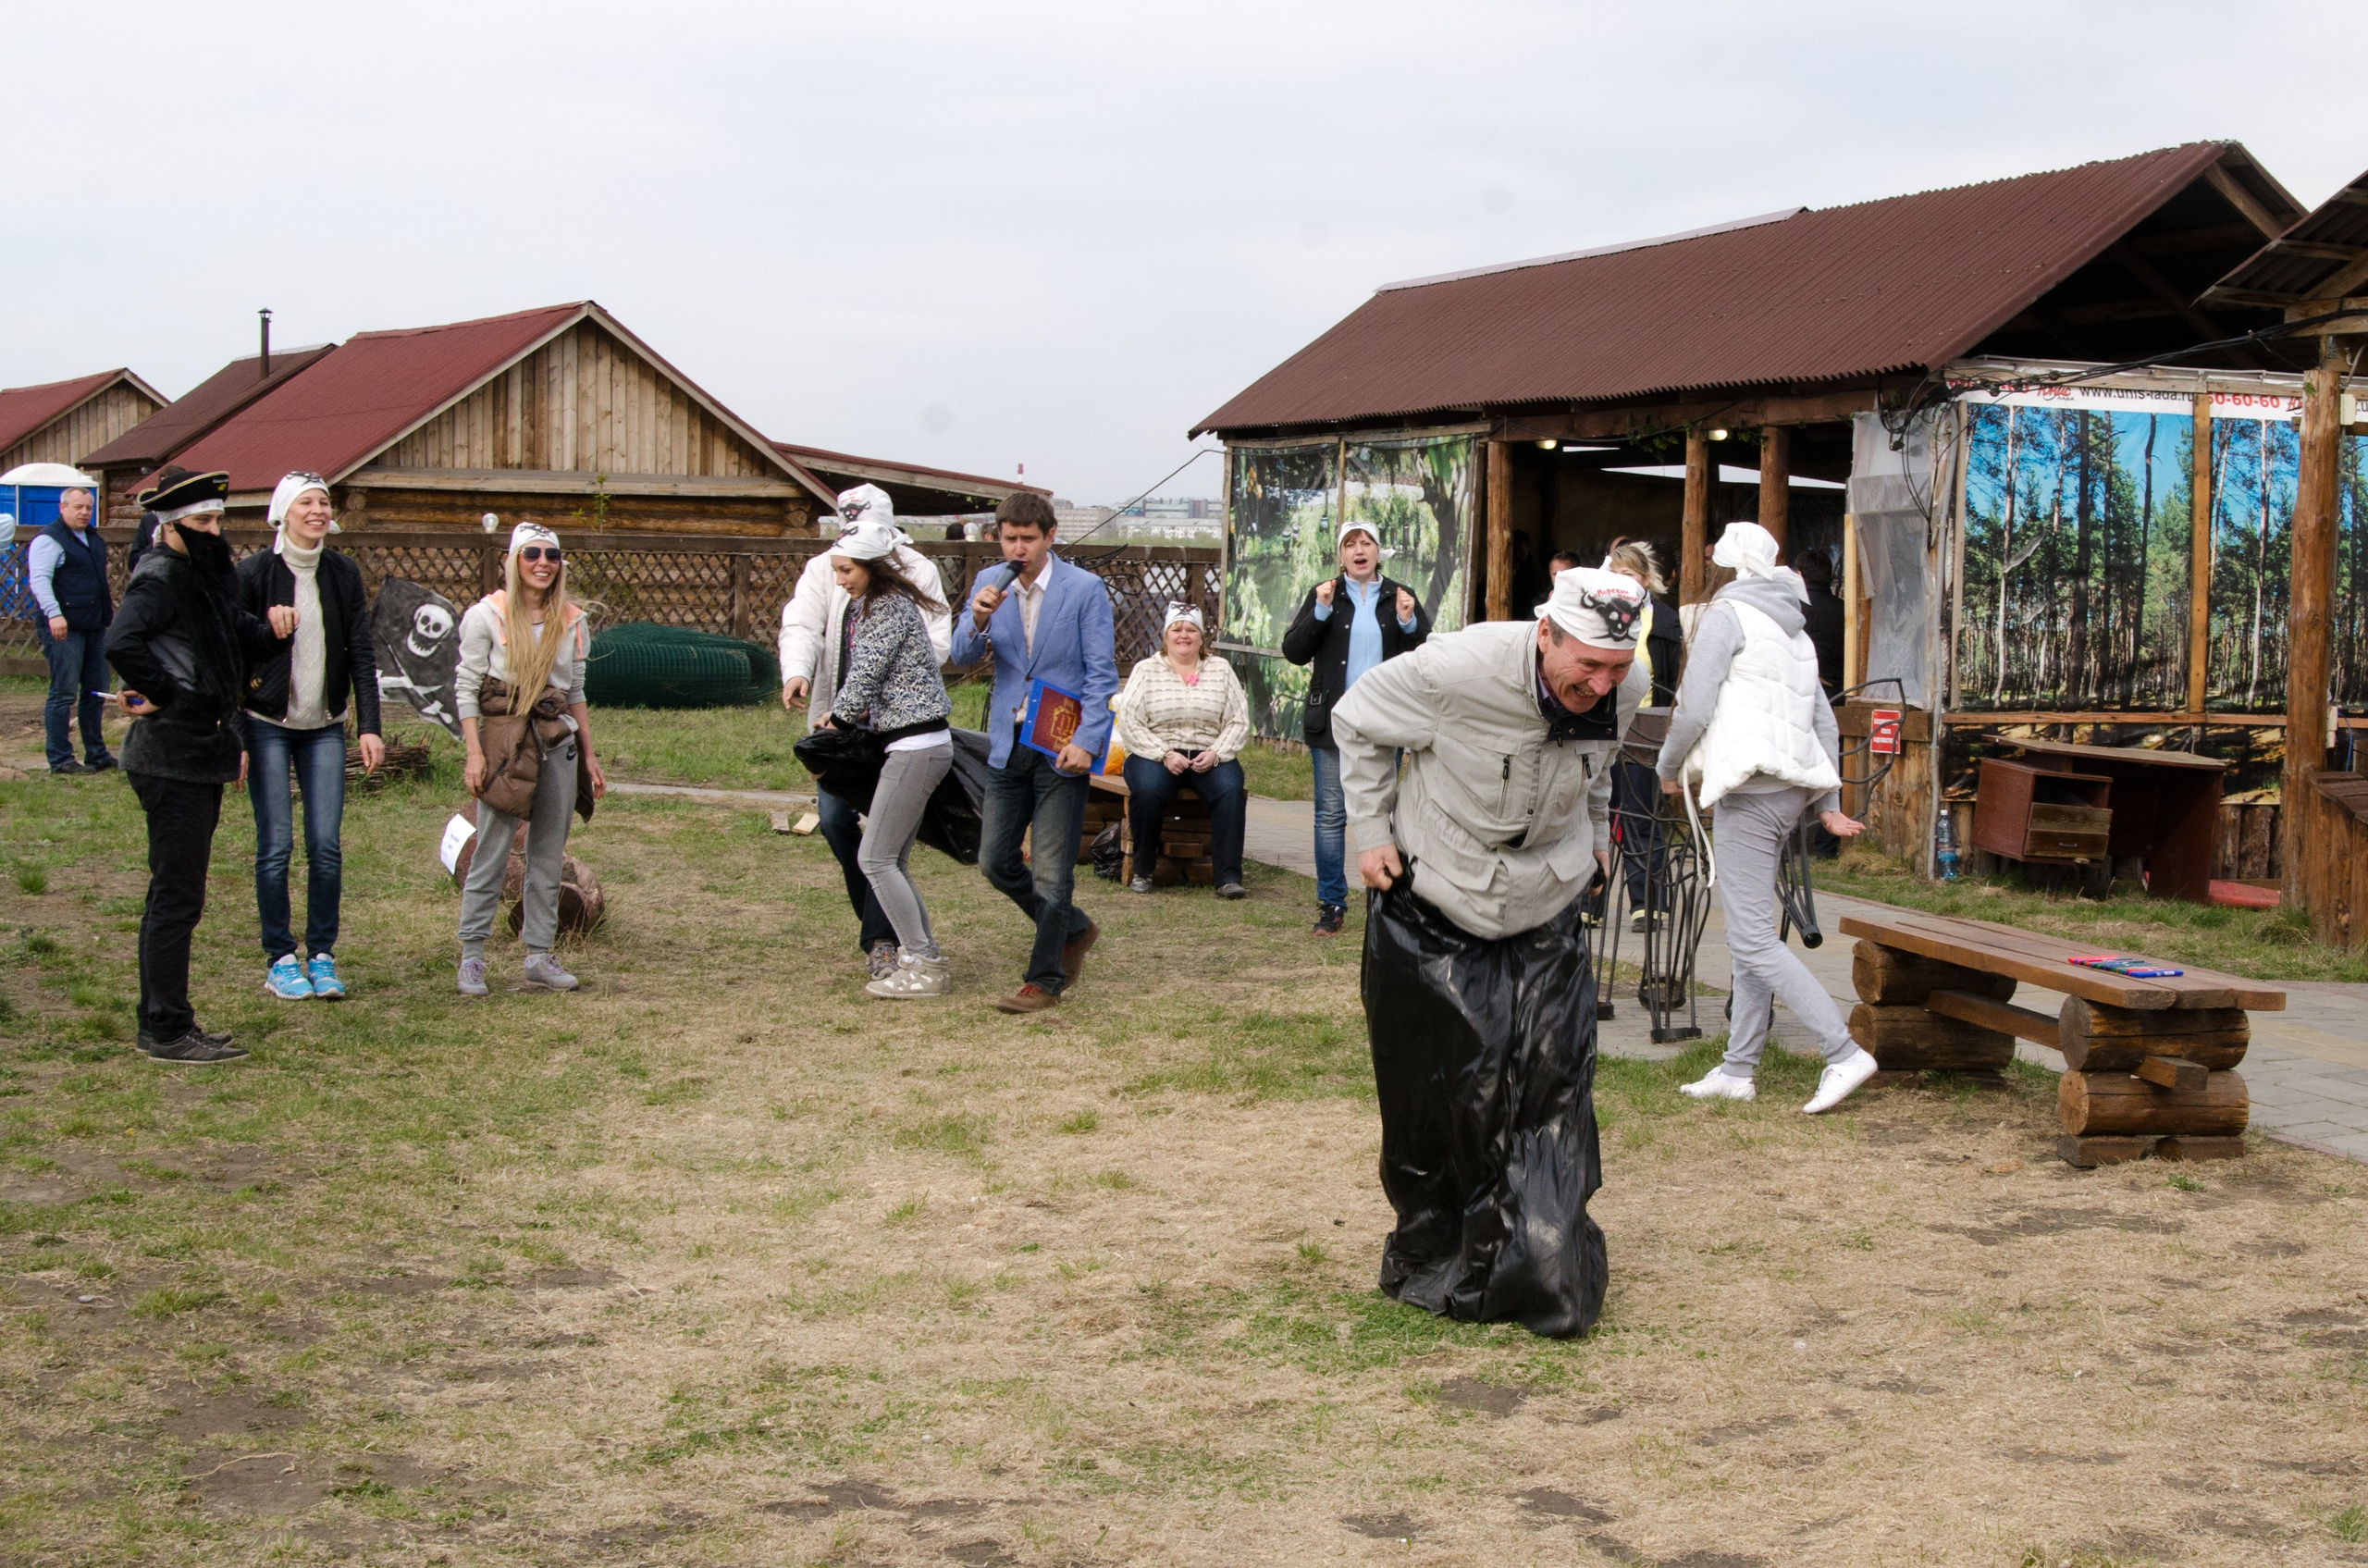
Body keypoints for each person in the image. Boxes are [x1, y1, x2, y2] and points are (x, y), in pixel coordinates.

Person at [1330, 566, 1647, 1340]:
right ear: (1546, 634)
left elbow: (1600, 761)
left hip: (1546, 892)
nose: (1601, 683)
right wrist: (1369, 830)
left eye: (1616, 668)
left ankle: (1540, 1263)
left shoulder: (1624, 686)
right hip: (1447, 887)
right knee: (1453, 1090)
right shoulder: (1457, 670)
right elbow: (1359, 717)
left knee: (1549, 1088)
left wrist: (1601, 836)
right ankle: (1441, 1248)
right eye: (1587, 665)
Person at [1656, 522, 1874, 1116]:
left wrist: (1668, 764)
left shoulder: (1728, 616)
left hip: (1749, 788)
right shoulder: (1795, 629)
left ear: (1726, 568)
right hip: (1787, 793)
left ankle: (1843, 1052)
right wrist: (1826, 806)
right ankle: (1738, 1067)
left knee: (1751, 938)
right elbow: (1823, 724)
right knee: (1754, 932)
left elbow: (1694, 703)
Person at [103, 467, 296, 1064]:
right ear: (171, 527)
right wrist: (171, 694)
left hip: (199, 754)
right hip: (170, 756)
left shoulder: (200, 577)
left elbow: (234, 636)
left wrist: (273, 629)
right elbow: (121, 644)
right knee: (176, 896)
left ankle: (164, 1020)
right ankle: (165, 1029)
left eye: (219, 520)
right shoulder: (159, 578)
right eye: (203, 522)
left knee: (179, 893)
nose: (215, 531)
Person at [950, 491, 1117, 1014]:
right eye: (1009, 538)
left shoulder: (1084, 589)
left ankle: (1044, 978)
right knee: (995, 861)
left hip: (1060, 747)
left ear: (1049, 537)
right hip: (1006, 745)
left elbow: (1100, 675)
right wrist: (976, 620)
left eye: (1028, 538)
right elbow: (958, 656)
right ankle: (1075, 927)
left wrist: (1087, 743)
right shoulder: (987, 585)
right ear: (998, 538)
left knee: (1050, 870)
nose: (1018, 548)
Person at [780, 485, 953, 981]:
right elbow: (802, 626)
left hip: (907, 740)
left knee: (877, 856)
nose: (838, 579)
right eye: (836, 567)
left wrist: (838, 719)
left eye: (846, 570)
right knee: (865, 842)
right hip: (883, 738)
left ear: (874, 559)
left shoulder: (892, 601)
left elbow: (868, 669)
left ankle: (907, 954)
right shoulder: (856, 594)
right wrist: (801, 673)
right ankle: (920, 952)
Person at [236, 474, 386, 1001]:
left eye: (325, 502)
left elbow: (362, 652)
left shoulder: (342, 573)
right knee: (276, 844)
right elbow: (233, 655)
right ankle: (280, 957)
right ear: (283, 512)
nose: (319, 511)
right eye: (308, 502)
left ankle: (321, 954)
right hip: (266, 725)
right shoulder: (254, 573)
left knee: (325, 845)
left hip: (323, 725)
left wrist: (369, 725)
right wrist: (236, 736)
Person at [454, 523, 607, 996]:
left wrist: (589, 755)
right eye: (532, 554)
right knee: (493, 847)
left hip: (556, 742)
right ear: (514, 561)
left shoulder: (572, 620)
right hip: (506, 746)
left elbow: (575, 691)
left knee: (546, 852)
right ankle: (472, 956)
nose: (543, 563)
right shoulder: (487, 616)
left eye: (552, 556)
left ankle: (539, 953)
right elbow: (466, 689)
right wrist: (475, 754)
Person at [1279, 519, 1430, 936]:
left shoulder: (1401, 595)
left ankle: (1391, 900)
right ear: (1341, 554)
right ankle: (1332, 903)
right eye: (1350, 544)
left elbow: (1429, 655)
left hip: (1386, 722)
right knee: (1331, 814)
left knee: (1386, 811)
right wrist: (1321, 610)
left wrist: (1406, 623)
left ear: (1379, 551)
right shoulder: (1325, 593)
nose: (1359, 550)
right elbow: (1293, 650)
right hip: (1332, 721)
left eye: (1366, 543)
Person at [1115, 604, 1250, 899]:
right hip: (1156, 753)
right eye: (1176, 629)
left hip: (1208, 752)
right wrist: (1164, 752)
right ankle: (1143, 870)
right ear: (1165, 637)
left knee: (1230, 790)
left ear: (1202, 639)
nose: (1183, 635)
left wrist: (1216, 752)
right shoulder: (1146, 670)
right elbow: (1130, 720)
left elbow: (1239, 718)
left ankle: (1227, 877)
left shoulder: (1220, 669)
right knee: (1148, 791)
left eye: (1191, 630)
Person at [1601, 540, 1681, 932]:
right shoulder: (1597, 613)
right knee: (1595, 814)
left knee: (1638, 816)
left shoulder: (1663, 621)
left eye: (1628, 575)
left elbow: (1673, 678)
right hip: (1600, 722)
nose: (1621, 582)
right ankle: (1589, 903)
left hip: (1646, 726)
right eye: (1613, 575)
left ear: (1646, 581)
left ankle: (1649, 904)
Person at [28, 475, 119, 775]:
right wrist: (54, 614)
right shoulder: (49, 539)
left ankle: (97, 753)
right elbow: (39, 580)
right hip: (63, 627)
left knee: (95, 691)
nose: (84, 512)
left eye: (88, 507)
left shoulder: (92, 538)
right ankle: (60, 758)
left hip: (93, 625)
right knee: (63, 693)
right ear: (63, 507)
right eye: (78, 507)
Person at [1799, 549, 1847, 701]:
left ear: (1799, 575)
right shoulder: (1845, 610)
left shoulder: (1791, 609)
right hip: (1840, 695)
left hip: (1800, 693)